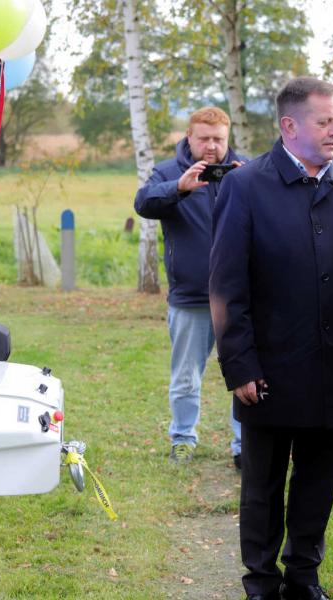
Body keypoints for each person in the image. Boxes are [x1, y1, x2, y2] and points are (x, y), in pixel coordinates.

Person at [209, 76, 333, 600]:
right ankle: (261, 581)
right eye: (324, 121)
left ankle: (304, 576)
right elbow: (226, 286)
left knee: (319, 480)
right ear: (289, 126)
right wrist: (239, 364)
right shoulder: (246, 186)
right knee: (263, 485)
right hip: (268, 367)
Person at [133, 107, 245, 467]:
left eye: (218, 139)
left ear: (227, 138)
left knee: (245, 374)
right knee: (185, 378)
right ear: (189, 137)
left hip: (240, 298)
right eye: (204, 138)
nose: (211, 146)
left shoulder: (245, 172)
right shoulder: (169, 172)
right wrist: (179, 188)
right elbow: (143, 203)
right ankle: (182, 439)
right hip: (190, 298)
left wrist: (249, 184)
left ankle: (244, 445)